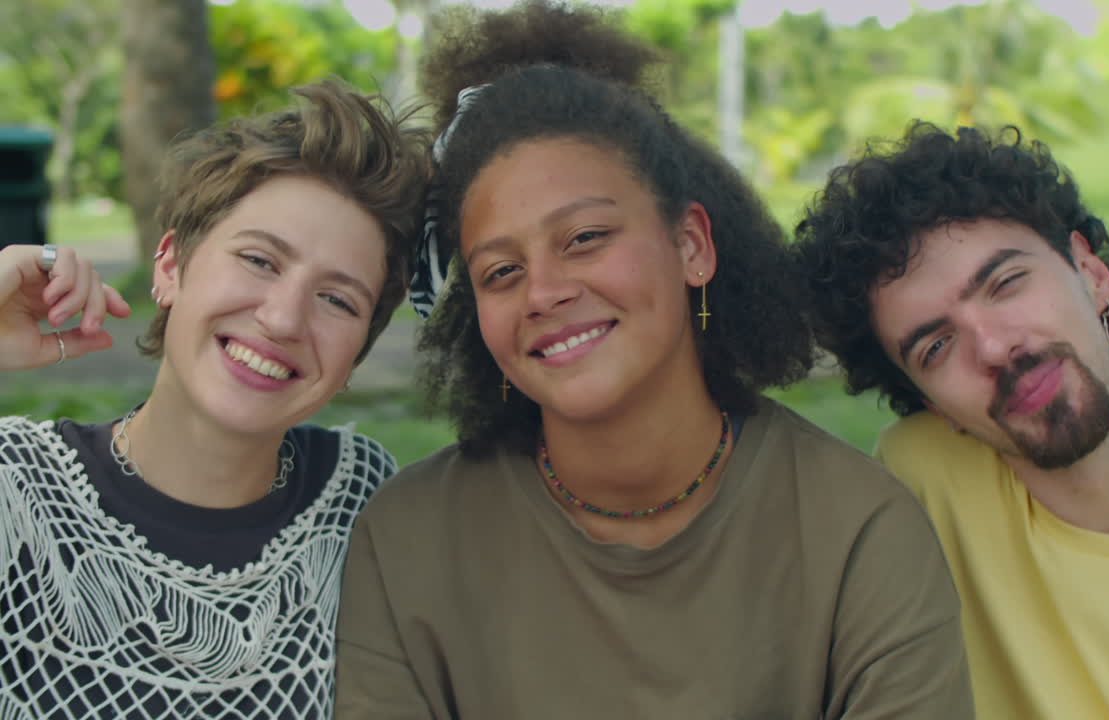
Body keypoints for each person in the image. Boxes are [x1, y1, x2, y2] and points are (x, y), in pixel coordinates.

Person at [334, 2, 972, 718]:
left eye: (584, 238)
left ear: (692, 244)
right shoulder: (408, 543)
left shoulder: (857, 530)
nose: (543, 291)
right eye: (501, 272)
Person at [794, 121, 1109, 718]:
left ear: (1091, 274)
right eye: (936, 347)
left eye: (1005, 284)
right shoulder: (923, 483)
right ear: (932, 407)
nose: (995, 348)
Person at [0, 80, 430, 718]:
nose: (284, 319)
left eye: (338, 300)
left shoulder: (365, 507)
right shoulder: (17, 490)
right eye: (259, 260)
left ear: (354, 357)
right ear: (170, 264)